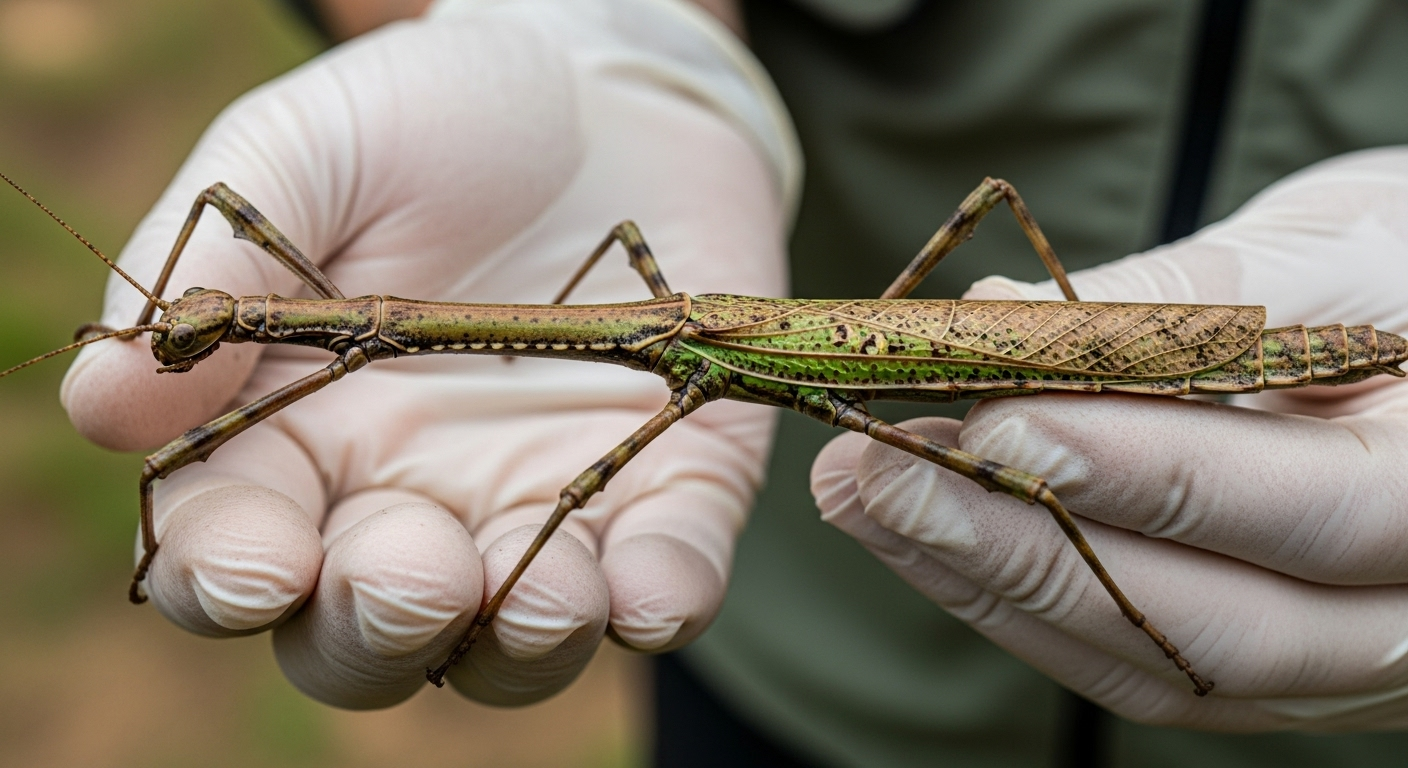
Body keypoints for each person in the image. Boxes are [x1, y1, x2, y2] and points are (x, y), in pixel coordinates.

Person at [59, 0, 1408, 765]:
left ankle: (1149, 610)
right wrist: (633, 25)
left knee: (1025, 480)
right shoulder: (628, 313)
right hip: (809, 710)